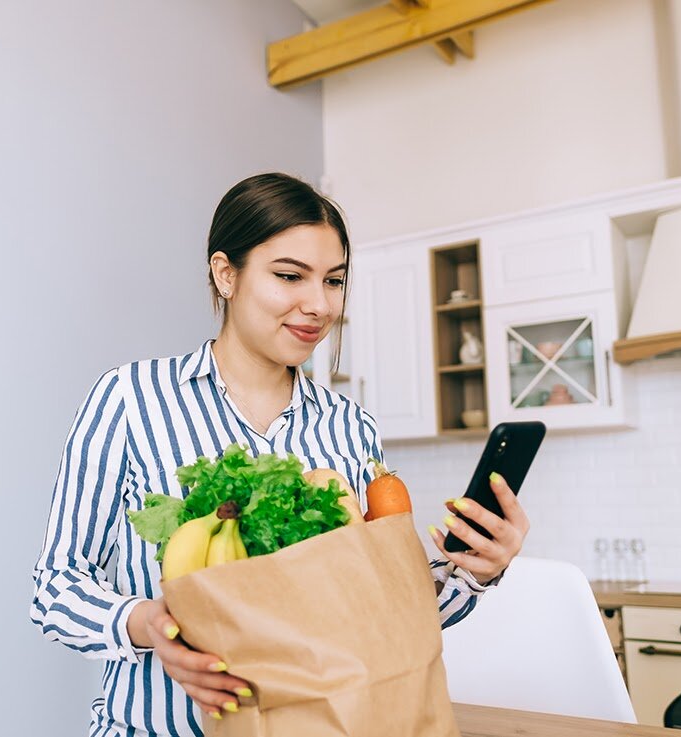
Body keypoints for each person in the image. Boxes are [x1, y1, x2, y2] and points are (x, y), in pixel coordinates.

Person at [29, 173, 529, 737]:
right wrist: (147, 623)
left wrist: (475, 573)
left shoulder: (350, 429)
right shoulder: (129, 399)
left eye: (334, 281)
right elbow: (56, 589)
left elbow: (386, 623)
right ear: (226, 274)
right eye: (290, 276)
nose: (318, 305)